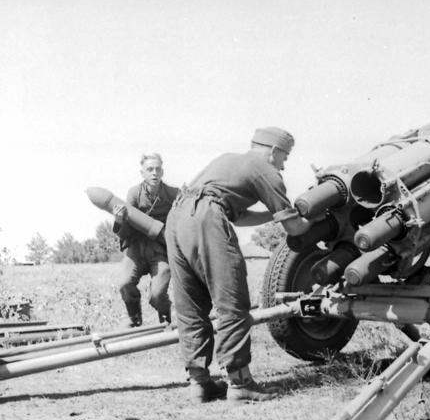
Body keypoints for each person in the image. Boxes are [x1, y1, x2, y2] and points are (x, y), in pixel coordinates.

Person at [165, 127, 312, 403]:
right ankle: (240, 383)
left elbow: (239, 216)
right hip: (206, 218)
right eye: (285, 156)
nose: (285, 163)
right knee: (231, 300)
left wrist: (274, 214)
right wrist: (313, 218)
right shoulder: (266, 170)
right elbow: (294, 228)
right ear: (273, 151)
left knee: (191, 305)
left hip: (177, 218)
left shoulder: (229, 160)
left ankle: (199, 383)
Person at [113, 153, 179, 327]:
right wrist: (119, 220)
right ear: (142, 173)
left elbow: (182, 222)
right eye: (149, 169)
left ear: (162, 171)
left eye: (157, 169)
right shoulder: (134, 194)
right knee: (125, 283)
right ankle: (134, 319)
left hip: (160, 251)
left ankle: (165, 320)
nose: (154, 173)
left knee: (157, 294)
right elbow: (126, 229)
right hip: (136, 249)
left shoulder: (173, 194)